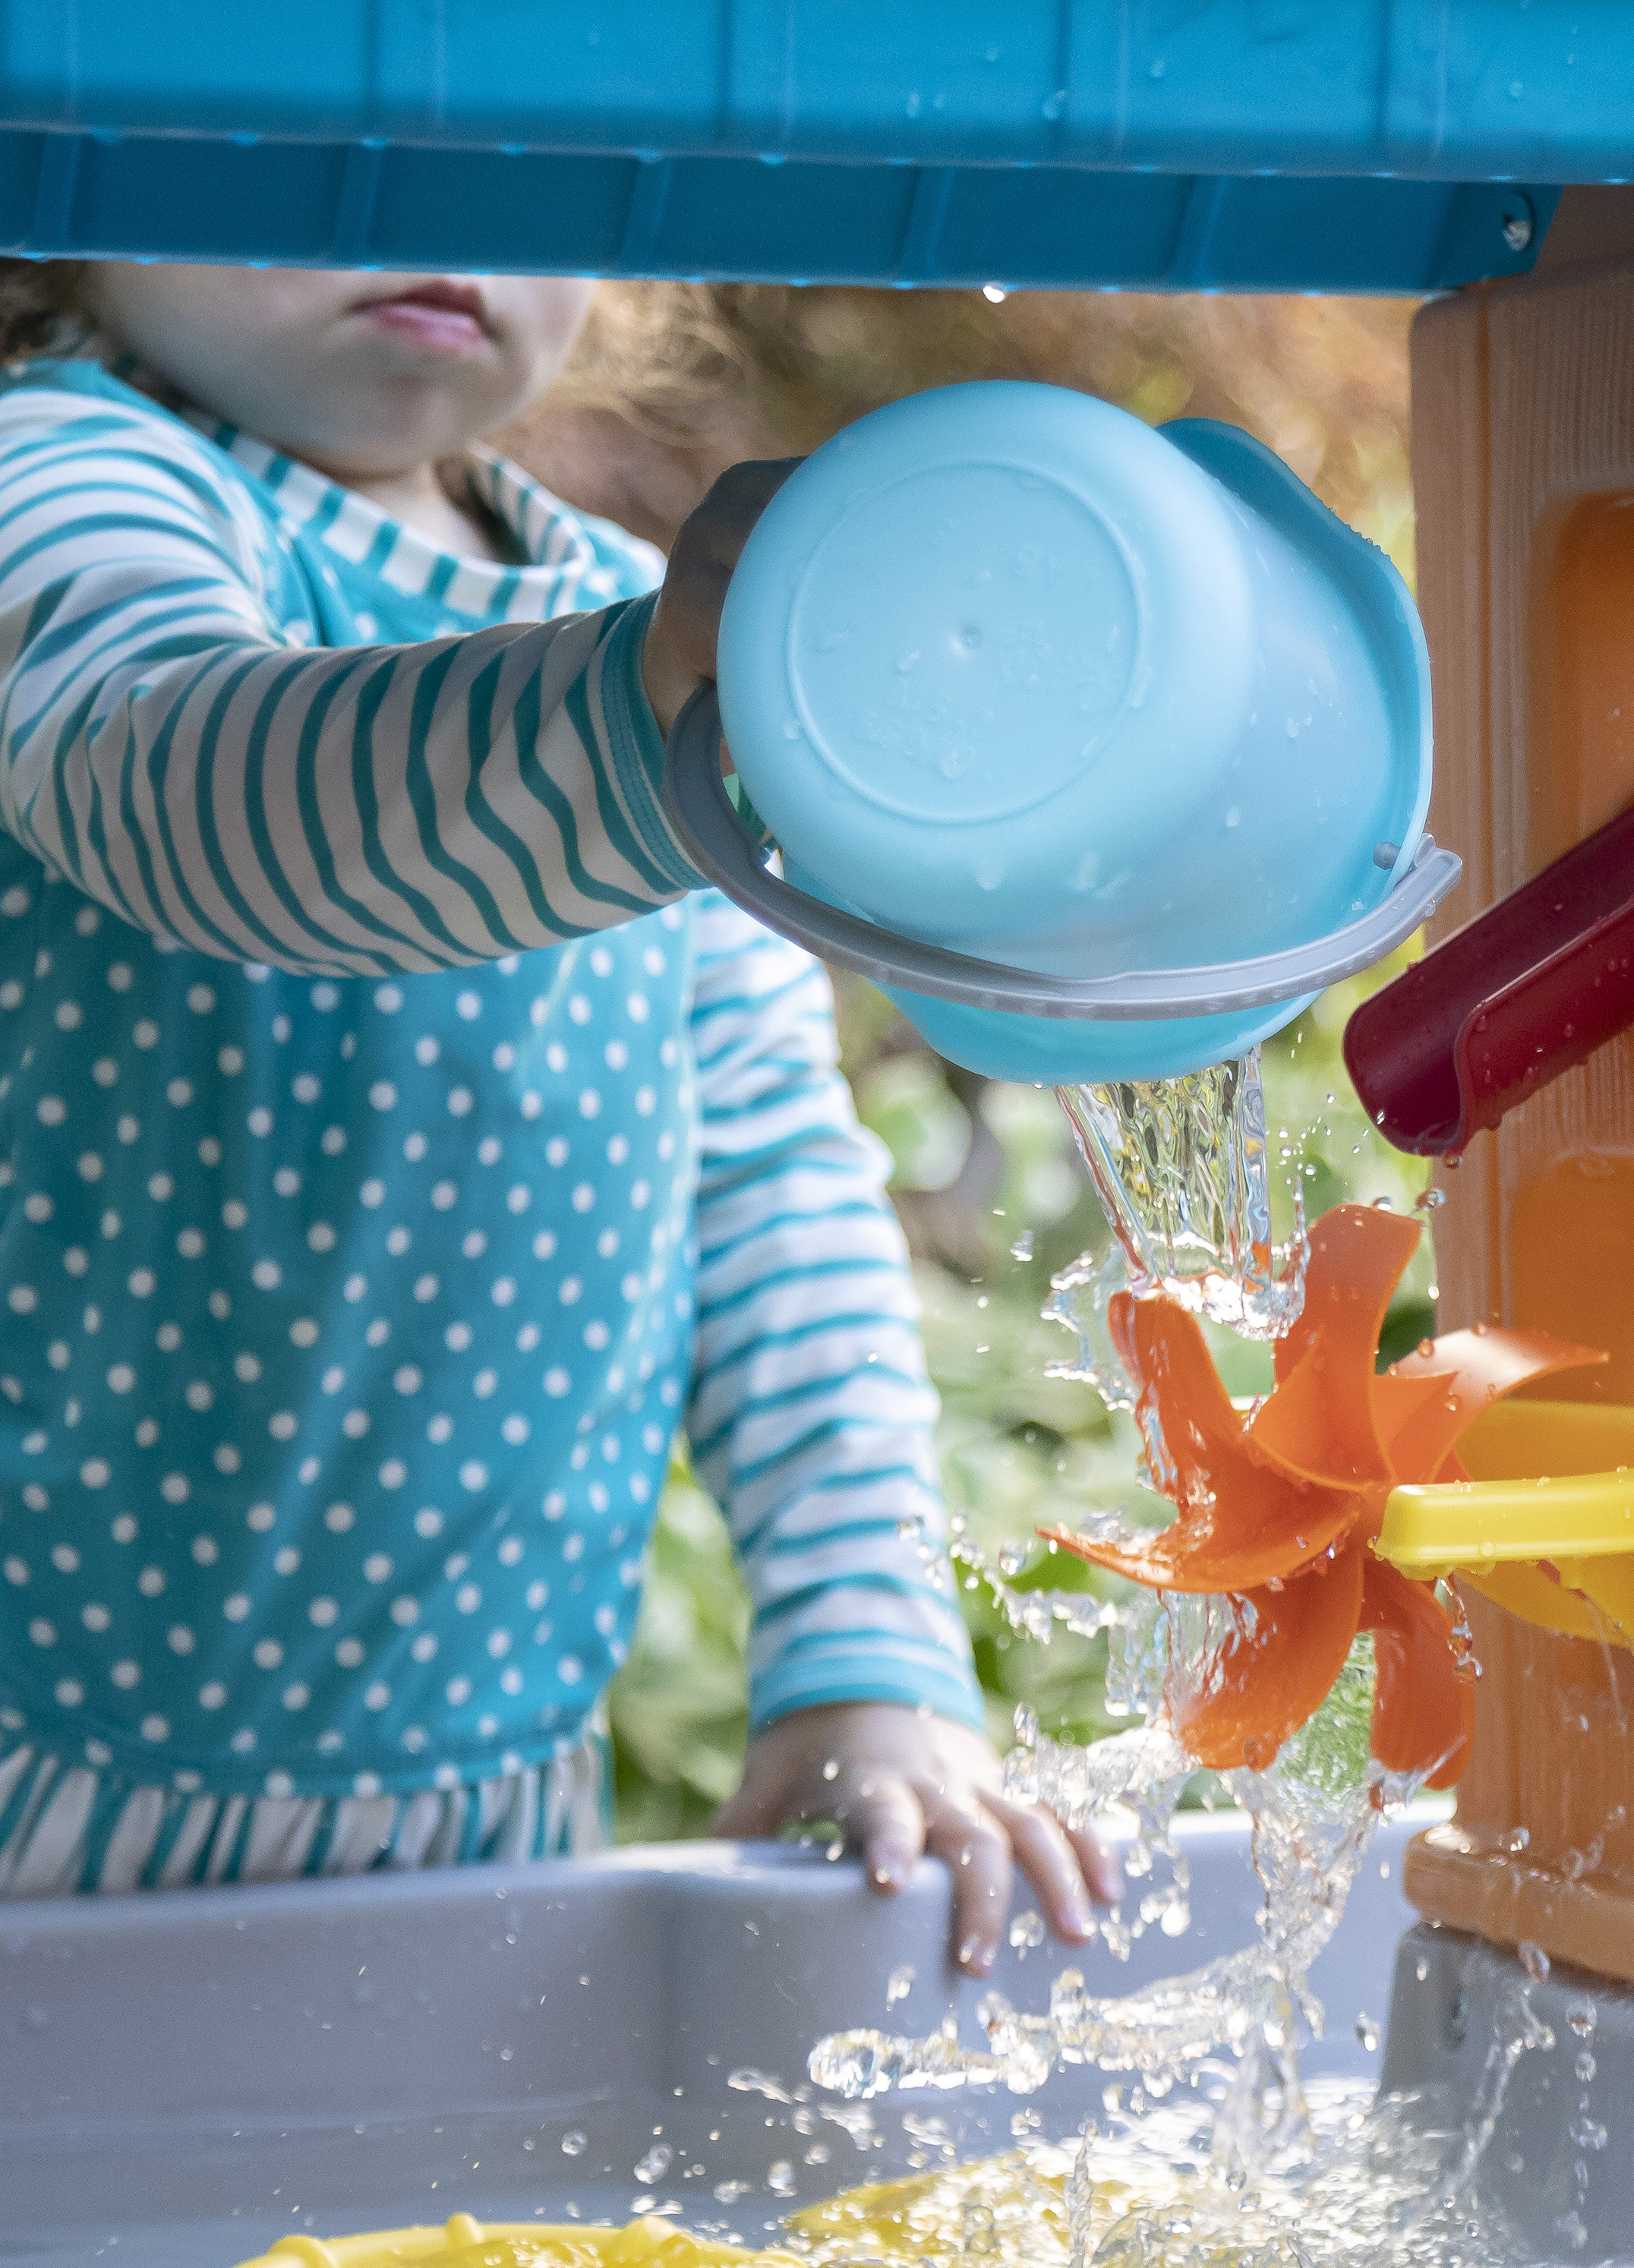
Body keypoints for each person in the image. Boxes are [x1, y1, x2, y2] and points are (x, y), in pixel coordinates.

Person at [0, 260, 1115, 1967]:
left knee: (420, 2229)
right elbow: (184, 785)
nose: (430, 195)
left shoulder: (628, 608)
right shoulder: (68, 475)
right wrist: (631, 710)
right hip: (46, 1784)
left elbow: (764, 1192)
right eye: (334, 72)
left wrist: (862, 1663)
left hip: (492, 1794)